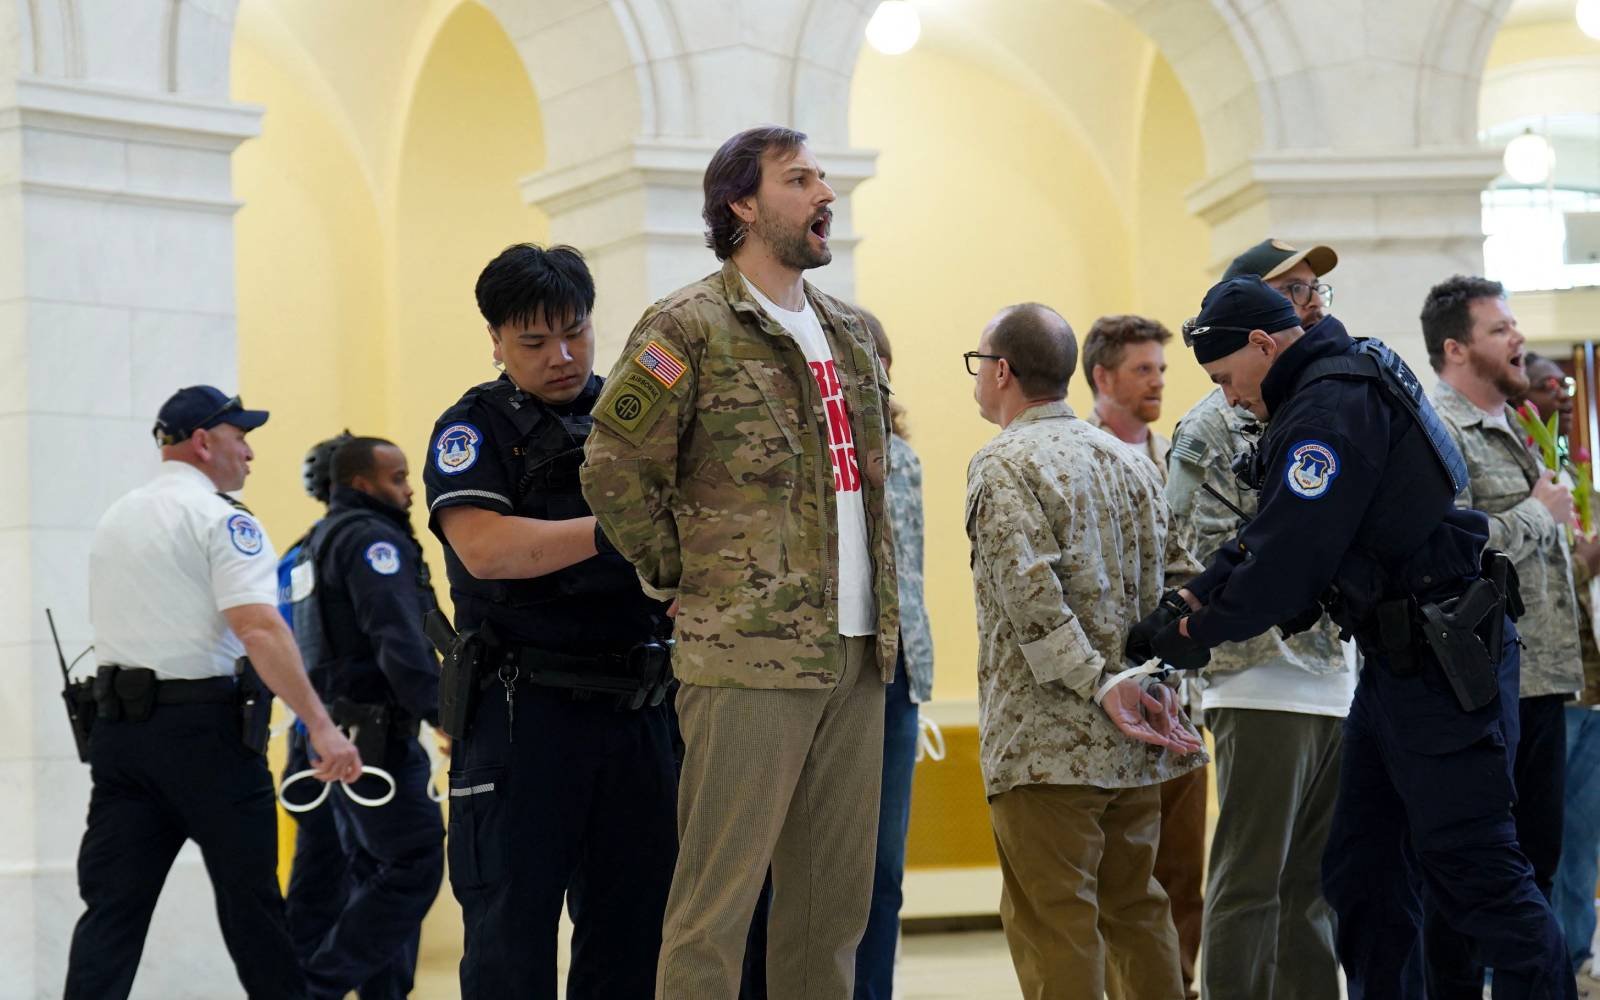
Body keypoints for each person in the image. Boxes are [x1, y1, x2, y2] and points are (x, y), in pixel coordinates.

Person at [1129, 276, 1574, 1000]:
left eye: (1226, 378)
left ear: (1264, 345)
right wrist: (1192, 595)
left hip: (1441, 664)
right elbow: (1270, 532)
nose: (1230, 397)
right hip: (1398, 665)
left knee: (1478, 876)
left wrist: (1197, 631)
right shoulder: (1323, 392)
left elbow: (1287, 566)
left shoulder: (1330, 410)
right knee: (1362, 869)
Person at [581, 125, 900, 1000]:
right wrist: (677, 577)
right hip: (746, 654)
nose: (825, 193)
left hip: (859, 649)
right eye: (801, 180)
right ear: (744, 206)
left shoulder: (850, 333)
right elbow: (612, 464)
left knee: (832, 913)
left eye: (824, 178)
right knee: (716, 908)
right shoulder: (687, 325)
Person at [425, 243, 678, 999]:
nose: (562, 356)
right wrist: (618, 531)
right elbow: (487, 549)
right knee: (511, 939)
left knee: (635, 932)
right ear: (497, 341)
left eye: (577, 332)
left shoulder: (630, 411)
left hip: (639, 713)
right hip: (524, 715)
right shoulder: (472, 429)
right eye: (535, 342)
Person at [65, 386, 361, 1000]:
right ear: (204, 442)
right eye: (240, 437)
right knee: (254, 914)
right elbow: (257, 626)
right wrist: (322, 726)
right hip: (207, 740)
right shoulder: (221, 519)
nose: (249, 454)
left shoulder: (117, 515)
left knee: (111, 915)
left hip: (120, 738)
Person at [965, 301, 1206, 999]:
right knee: (1137, 912)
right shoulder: (1128, 462)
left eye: (980, 365)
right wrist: (1148, 684)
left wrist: (1101, 684)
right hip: (1133, 748)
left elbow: (1030, 597)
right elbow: (1186, 584)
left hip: (1045, 747)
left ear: (1002, 371)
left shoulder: (1004, 463)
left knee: (1057, 924)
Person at [1165, 238, 1352, 1000]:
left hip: (1335, 673)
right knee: (1250, 882)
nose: (1313, 302)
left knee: (1311, 888)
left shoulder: (1328, 399)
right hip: (1260, 678)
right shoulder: (1212, 426)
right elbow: (1208, 551)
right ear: (1253, 312)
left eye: (1316, 290)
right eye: (1298, 287)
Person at [1424, 277, 1584, 994]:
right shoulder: (1440, 429)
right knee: (1473, 875)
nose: (1518, 339)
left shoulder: (1517, 426)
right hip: (1482, 685)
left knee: (1537, 866)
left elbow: (1544, 558)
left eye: (1516, 325)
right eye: (1500, 329)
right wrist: (1536, 514)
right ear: (1455, 349)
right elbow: (1447, 548)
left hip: (1545, 677)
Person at [286, 435, 445, 999]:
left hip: (334, 732)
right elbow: (397, 639)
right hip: (374, 737)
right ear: (360, 483)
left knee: (368, 873)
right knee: (414, 862)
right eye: (398, 478)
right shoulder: (371, 542)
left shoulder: (314, 543)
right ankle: (315, 987)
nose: (408, 490)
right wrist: (445, 714)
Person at [1080, 312, 1205, 999]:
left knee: (1183, 865)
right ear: (1102, 377)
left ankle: (1176, 985)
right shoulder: (1076, 457)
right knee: (1114, 874)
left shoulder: (1179, 457)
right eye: (1143, 369)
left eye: (1161, 367)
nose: (1158, 380)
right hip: (1107, 699)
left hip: (1181, 695)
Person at [857, 308, 934, 1000]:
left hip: (898, 679)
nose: (874, 375)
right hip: (836, 674)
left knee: (885, 870)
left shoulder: (904, 459)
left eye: (879, 362)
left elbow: (909, 573)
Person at [277, 431, 370, 990]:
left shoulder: (295, 556)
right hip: (358, 740)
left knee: (316, 881)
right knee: (385, 877)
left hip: (306, 739)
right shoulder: (365, 545)